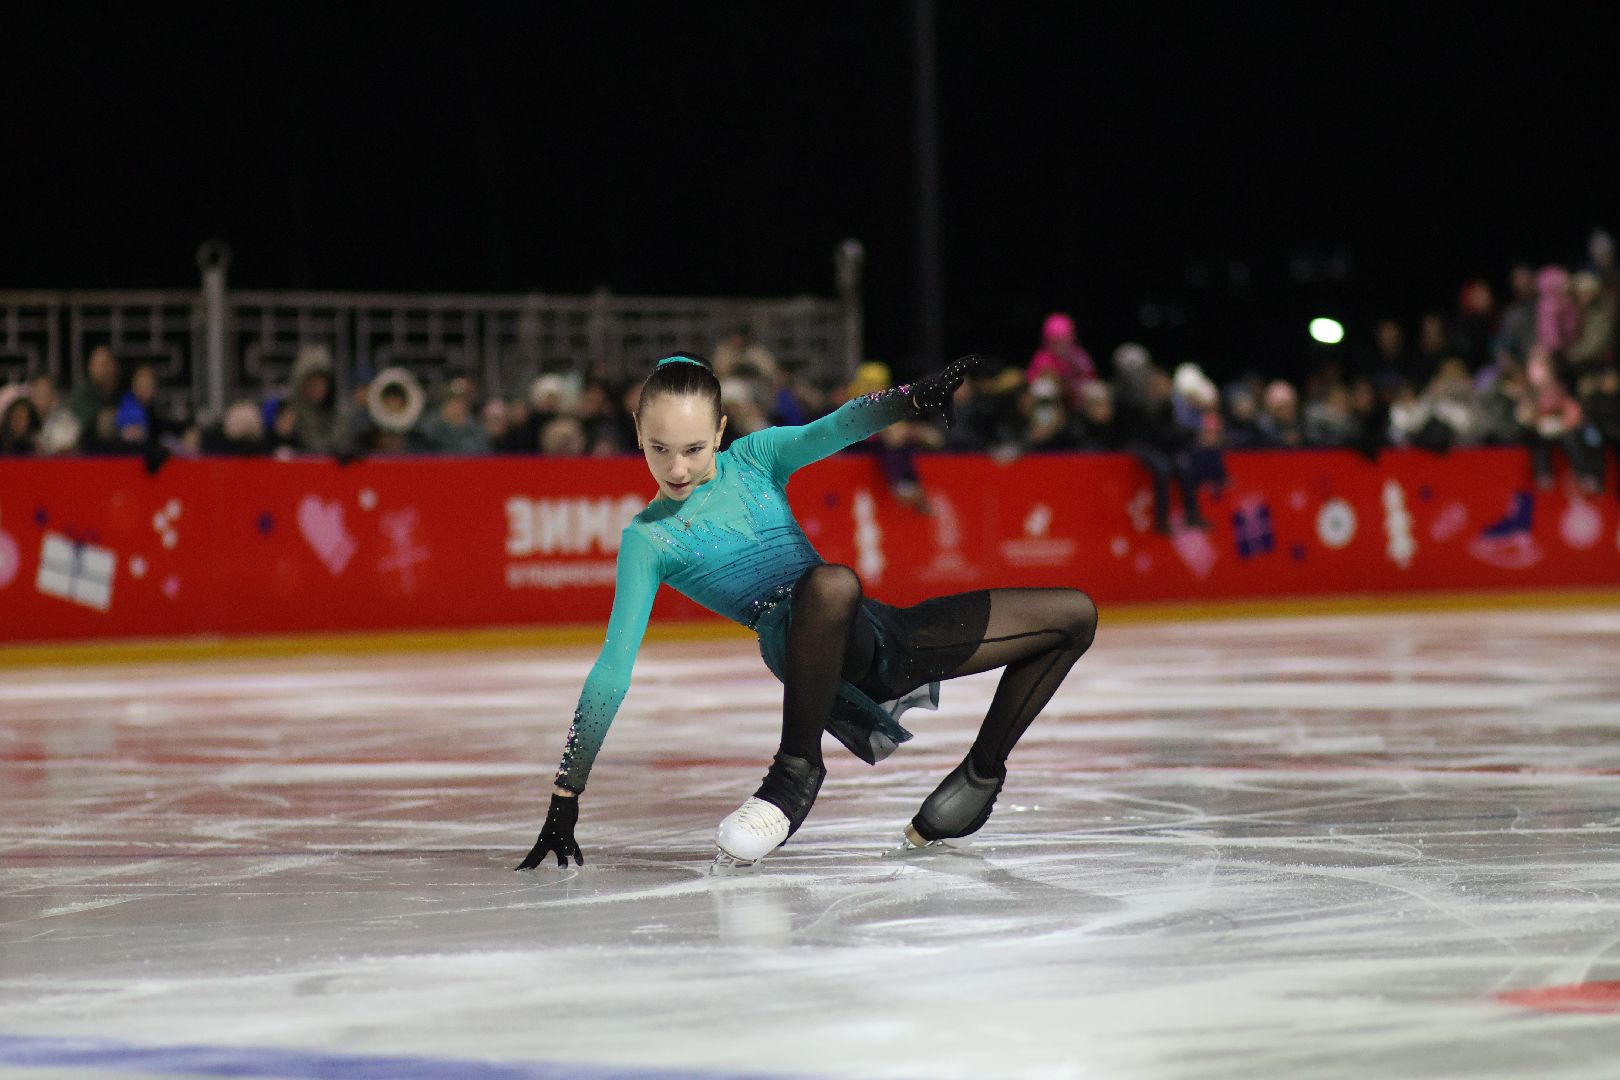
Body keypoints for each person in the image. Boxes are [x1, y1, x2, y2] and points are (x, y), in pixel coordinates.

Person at [517, 354, 1098, 870]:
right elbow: (612, 670)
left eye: (695, 449)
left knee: (1075, 615)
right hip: (801, 647)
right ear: (638, 432)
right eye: (659, 449)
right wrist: (566, 791)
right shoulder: (648, 539)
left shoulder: (756, 458)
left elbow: (836, 427)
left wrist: (910, 400)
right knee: (829, 582)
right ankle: (794, 772)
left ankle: (979, 777)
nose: (677, 470)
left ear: (720, 431)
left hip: (876, 636)